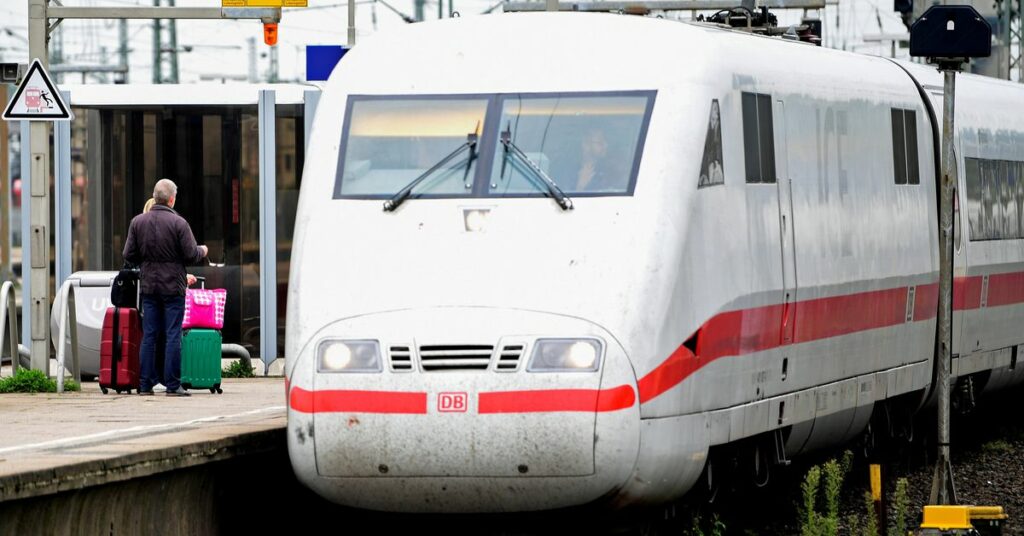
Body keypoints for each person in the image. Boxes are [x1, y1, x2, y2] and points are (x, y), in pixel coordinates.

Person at [124, 180, 208, 396]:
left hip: (149, 287)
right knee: (172, 335)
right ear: (172, 199)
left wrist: (146, 260)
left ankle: (145, 384)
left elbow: (128, 255)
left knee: (149, 334)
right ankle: (172, 385)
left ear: (155, 196)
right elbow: (191, 254)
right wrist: (203, 250)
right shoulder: (179, 223)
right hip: (173, 288)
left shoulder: (137, 222)